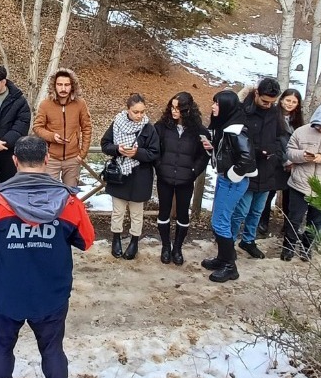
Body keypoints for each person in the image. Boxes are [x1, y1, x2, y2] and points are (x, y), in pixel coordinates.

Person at [0, 135, 94, 378]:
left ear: (14, 161)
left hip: (5, 292)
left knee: (1, 348)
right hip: (50, 294)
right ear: (47, 160)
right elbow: (86, 240)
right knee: (52, 349)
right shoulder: (69, 202)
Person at [201, 90, 257, 282]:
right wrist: (214, 148)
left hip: (233, 181)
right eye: (213, 102)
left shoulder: (237, 130)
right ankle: (222, 258)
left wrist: (233, 174)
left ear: (226, 106)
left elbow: (247, 159)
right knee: (219, 220)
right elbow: (230, 152)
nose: (213, 107)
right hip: (226, 178)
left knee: (220, 222)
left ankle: (229, 266)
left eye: (217, 104)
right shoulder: (227, 126)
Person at [230, 78, 287, 259]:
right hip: (248, 169)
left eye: (271, 102)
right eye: (264, 101)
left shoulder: (275, 112)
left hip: (268, 169)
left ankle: (248, 240)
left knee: (257, 211)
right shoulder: (243, 111)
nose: (267, 105)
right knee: (241, 211)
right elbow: (236, 138)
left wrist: (276, 154)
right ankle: (228, 242)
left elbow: (280, 136)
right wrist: (255, 152)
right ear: (256, 94)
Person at [100, 94, 160, 260]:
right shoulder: (117, 123)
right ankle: (116, 239)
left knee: (136, 213)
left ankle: (134, 241)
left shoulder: (149, 128)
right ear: (128, 110)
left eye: (142, 112)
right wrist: (118, 149)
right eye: (135, 112)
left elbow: (155, 152)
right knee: (118, 211)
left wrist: (137, 153)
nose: (139, 115)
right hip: (119, 175)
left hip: (140, 176)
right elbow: (105, 145)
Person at [153, 92, 210, 266]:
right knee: (164, 212)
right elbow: (154, 149)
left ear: (187, 110)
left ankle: (177, 248)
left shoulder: (199, 131)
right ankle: (165, 247)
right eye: (172, 107)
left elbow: (204, 155)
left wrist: (194, 171)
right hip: (165, 177)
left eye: (178, 108)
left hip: (186, 179)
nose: (174, 111)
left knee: (183, 214)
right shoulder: (161, 126)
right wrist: (160, 166)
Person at [283, 104, 321, 261]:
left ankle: (307, 248)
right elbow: (289, 151)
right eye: (319, 126)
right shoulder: (301, 131)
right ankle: (288, 248)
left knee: (315, 220)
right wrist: (302, 155)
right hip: (300, 184)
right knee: (294, 218)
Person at [32, 68, 93, 188]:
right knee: (50, 194)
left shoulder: (80, 104)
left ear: (72, 86)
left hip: (73, 158)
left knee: (70, 196)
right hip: (51, 158)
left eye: (67, 85)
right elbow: (37, 127)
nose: (63, 88)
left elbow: (87, 128)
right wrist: (51, 136)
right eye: (60, 85)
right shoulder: (45, 104)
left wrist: (82, 153)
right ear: (54, 86)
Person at [258, 88, 304, 235]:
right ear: (282, 100)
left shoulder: (297, 121)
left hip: (292, 164)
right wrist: (285, 160)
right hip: (274, 160)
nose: (290, 104)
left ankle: (288, 225)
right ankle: (263, 222)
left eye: (294, 102)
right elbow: (276, 140)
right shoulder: (272, 115)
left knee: (289, 196)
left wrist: (294, 160)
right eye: (288, 100)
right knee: (268, 193)